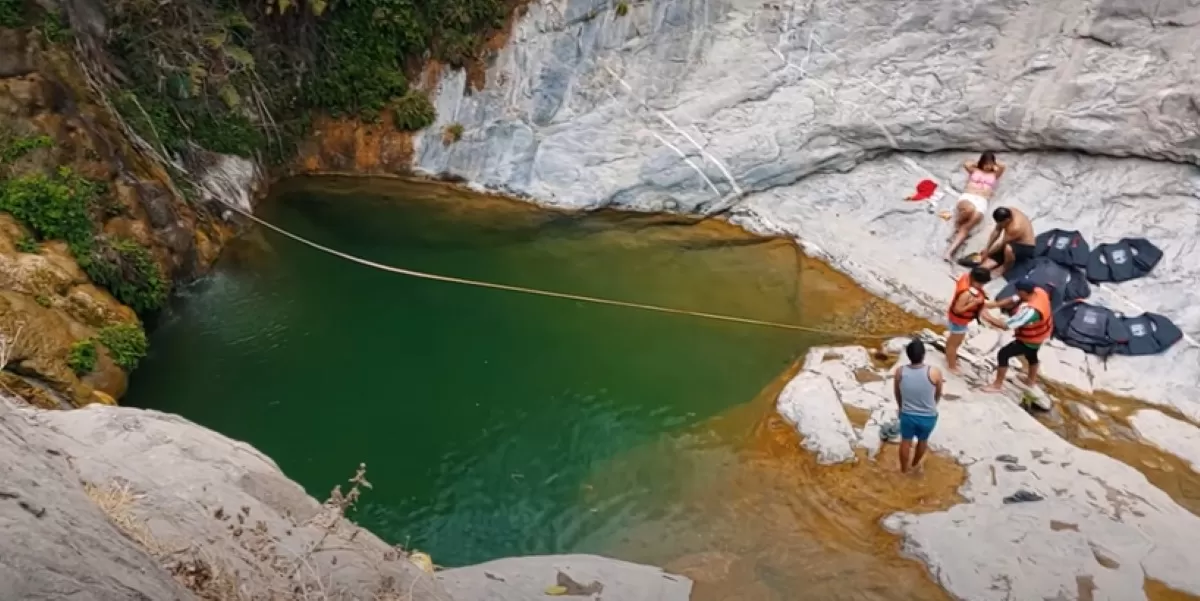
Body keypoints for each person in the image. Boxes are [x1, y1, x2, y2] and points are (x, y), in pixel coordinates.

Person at [980, 281, 1053, 393]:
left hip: (1029, 339)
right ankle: (1030, 381)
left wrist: (987, 316)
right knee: (1031, 355)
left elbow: (1006, 325)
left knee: (1003, 354)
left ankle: (997, 385)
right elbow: (1014, 298)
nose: (1017, 293)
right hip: (1040, 335)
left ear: (1024, 292)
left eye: (1019, 292)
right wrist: (993, 305)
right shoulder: (1039, 292)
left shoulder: (1031, 311)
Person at [943, 152, 1006, 262]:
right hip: (969, 196)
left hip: (982, 200)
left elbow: (1003, 166)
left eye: (990, 164)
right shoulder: (974, 170)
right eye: (986, 163)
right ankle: (957, 224)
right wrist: (979, 164)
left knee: (969, 224)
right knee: (969, 209)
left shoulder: (995, 174)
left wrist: (994, 164)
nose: (988, 166)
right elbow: (966, 163)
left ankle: (949, 252)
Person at [893, 339, 944, 474]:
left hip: (908, 415)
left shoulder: (900, 372)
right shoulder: (934, 372)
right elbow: (938, 393)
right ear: (923, 355)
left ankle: (904, 470)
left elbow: (897, 392)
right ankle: (915, 464)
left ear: (908, 355)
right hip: (928, 416)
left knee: (905, 441)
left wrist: (901, 407)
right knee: (923, 440)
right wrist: (933, 404)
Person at [962, 206, 1036, 277]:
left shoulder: (1015, 228)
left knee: (1008, 249)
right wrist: (986, 248)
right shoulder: (1007, 212)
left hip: (1025, 247)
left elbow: (1002, 244)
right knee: (983, 266)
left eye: (1001, 223)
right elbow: (996, 231)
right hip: (1011, 241)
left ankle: (1005, 267)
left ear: (1007, 220)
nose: (999, 225)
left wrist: (988, 253)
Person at [945, 266, 992, 374]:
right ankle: (951, 366)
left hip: (959, 321)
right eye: (980, 284)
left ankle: (950, 358)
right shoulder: (966, 294)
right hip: (958, 321)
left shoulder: (967, 279)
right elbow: (958, 309)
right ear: (973, 279)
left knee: (954, 341)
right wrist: (974, 302)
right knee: (954, 344)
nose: (981, 286)